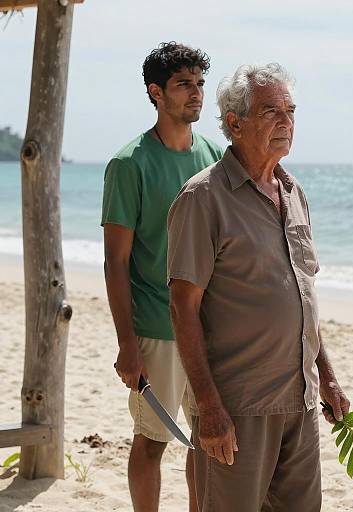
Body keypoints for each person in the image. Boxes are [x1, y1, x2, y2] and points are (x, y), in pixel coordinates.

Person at [167, 63, 350, 511]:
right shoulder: (202, 198)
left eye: (290, 111)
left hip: (301, 404)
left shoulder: (294, 193)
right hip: (237, 409)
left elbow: (303, 300)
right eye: (271, 112)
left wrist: (326, 376)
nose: (286, 122)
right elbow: (183, 308)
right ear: (234, 122)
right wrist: (209, 409)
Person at [101, 42, 223, 512]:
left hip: (208, 327)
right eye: (183, 85)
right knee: (153, 441)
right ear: (156, 93)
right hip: (155, 328)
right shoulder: (129, 164)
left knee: (205, 440)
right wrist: (127, 344)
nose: (195, 94)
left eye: (199, 84)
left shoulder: (214, 155)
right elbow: (116, 262)